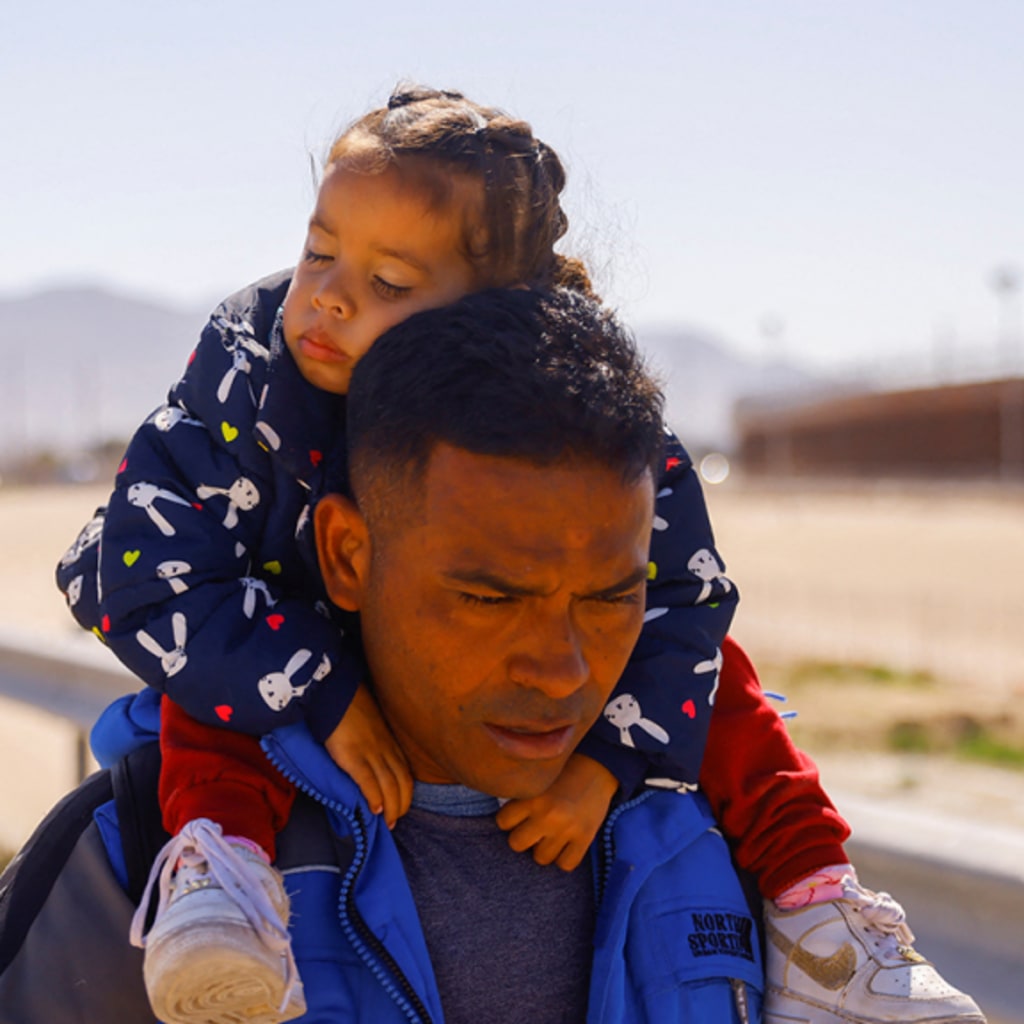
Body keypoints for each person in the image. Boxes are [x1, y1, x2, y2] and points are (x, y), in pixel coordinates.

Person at [53, 86, 986, 1024]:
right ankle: (219, 875)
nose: (328, 297)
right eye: (318, 252)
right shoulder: (249, 370)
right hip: (277, 647)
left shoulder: (585, 408)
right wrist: (317, 688)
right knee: (215, 673)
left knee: (714, 673)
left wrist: (610, 765)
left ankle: (818, 920)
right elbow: (130, 568)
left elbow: (686, 600)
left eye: (390, 284)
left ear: (495, 320)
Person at [6, 286, 765, 1023]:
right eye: (491, 600)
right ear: (346, 555)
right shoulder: (150, 865)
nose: (563, 669)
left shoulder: (729, 841)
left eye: (609, 599)